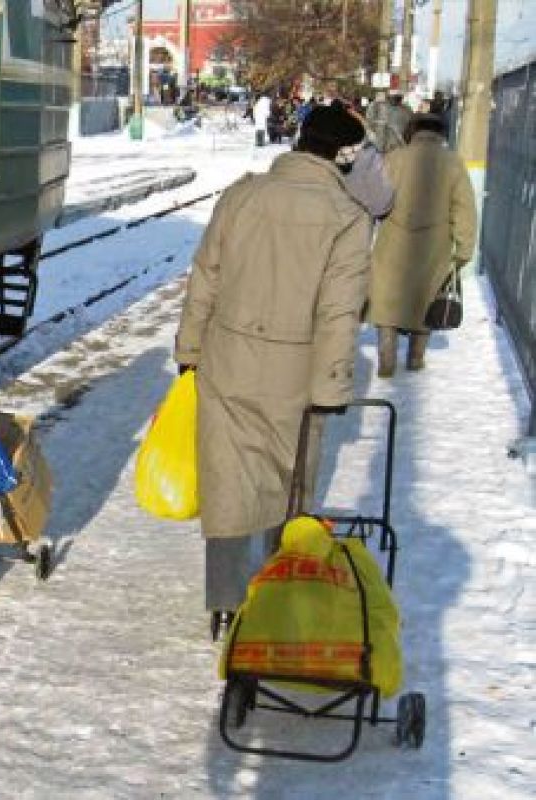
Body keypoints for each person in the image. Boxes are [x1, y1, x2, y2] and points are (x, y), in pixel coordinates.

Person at [174, 104, 372, 638]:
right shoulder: (348, 218)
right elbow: (339, 312)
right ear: (344, 155)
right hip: (296, 372)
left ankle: (224, 602)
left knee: (228, 485)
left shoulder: (242, 196)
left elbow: (206, 278)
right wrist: (330, 388)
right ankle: (272, 596)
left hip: (227, 361)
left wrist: (189, 350)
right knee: (288, 487)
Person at [366, 114, 477, 376]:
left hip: (392, 240)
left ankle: (386, 363)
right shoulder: (453, 163)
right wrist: (464, 249)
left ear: (412, 131)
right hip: (434, 246)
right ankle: (416, 359)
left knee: (386, 302)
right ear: (441, 133)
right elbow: (464, 208)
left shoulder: (394, 158)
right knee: (425, 301)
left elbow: (376, 198)